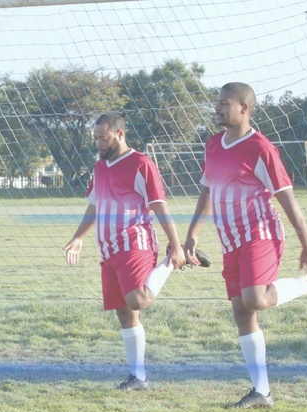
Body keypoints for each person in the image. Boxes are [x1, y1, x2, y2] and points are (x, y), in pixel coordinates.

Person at [183, 82, 307, 409]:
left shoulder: (261, 148)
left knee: (255, 299)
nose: (217, 107)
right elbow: (207, 190)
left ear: (244, 108)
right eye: (217, 102)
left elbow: (288, 201)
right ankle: (262, 392)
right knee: (242, 313)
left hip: (260, 234)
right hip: (230, 240)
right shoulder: (213, 145)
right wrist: (192, 234)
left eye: (224, 103)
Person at [64, 112, 204, 391]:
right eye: (96, 139)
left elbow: (159, 205)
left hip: (134, 243)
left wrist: (176, 245)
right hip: (108, 250)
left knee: (137, 299)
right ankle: (138, 377)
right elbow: (94, 205)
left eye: (104, 138)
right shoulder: (100, 167)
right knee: (126, 314)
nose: (99, 143)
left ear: (120, 134)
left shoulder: (141, 164)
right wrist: (78, 237)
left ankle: (171, 263)